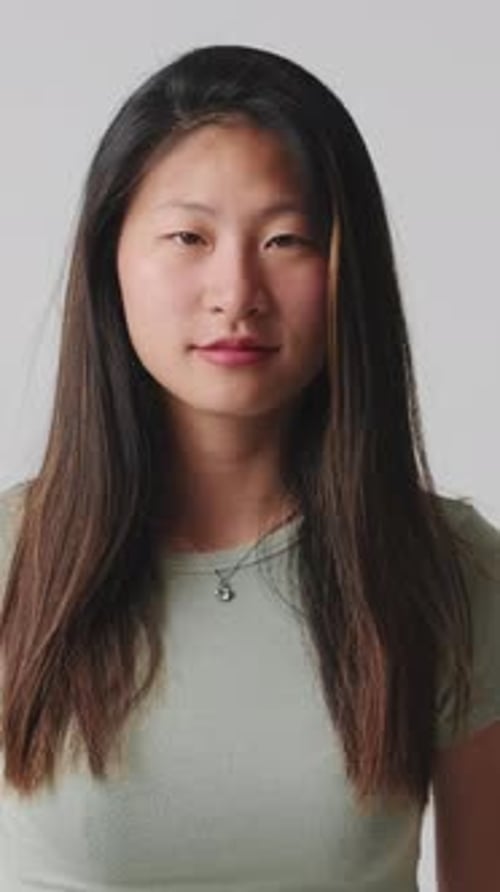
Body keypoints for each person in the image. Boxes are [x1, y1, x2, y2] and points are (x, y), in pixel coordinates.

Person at [0, 43, 499, 892]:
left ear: (349, 269)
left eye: (286, 238)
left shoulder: (446, 569)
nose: (236, 291)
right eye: (189, 236)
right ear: (109, 256)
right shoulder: (16, 556)